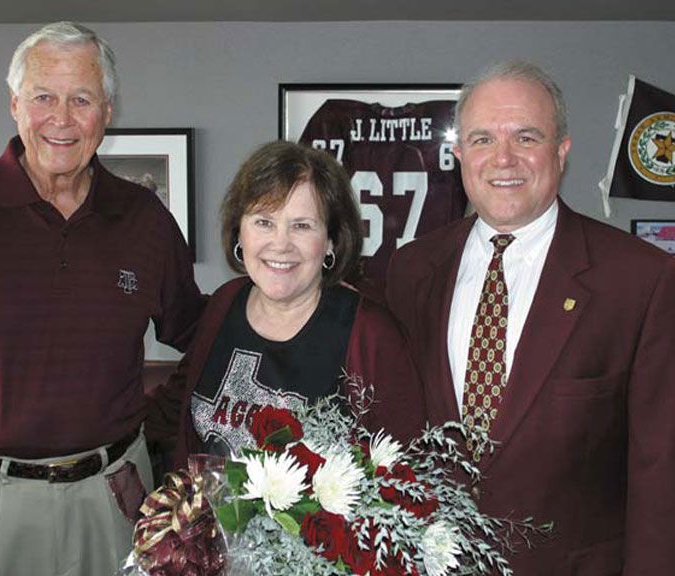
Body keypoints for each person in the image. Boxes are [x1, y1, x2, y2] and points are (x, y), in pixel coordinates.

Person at [0, 22, 204, 576]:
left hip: (113, 501)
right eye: (44, 96)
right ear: (15, 104)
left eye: (81, 99)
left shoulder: (144, 218)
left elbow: (203, 333)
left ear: (107, 111)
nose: (61, 118)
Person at [386, 60, 675, 574]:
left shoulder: (641, 279)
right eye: (481, 139)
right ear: (458, 156)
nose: (503, 159)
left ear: (561, 152)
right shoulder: (410, 270)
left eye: (525, 136)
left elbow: (661, 469)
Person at [152, 140, 422, 465]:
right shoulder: (225, 304)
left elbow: (406, 467)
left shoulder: (370, 334)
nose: (280, 244)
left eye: (302, 226)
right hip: (205, 512)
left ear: (331, 241)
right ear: (240, 233)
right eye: (264, 222)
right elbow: (176, 403)